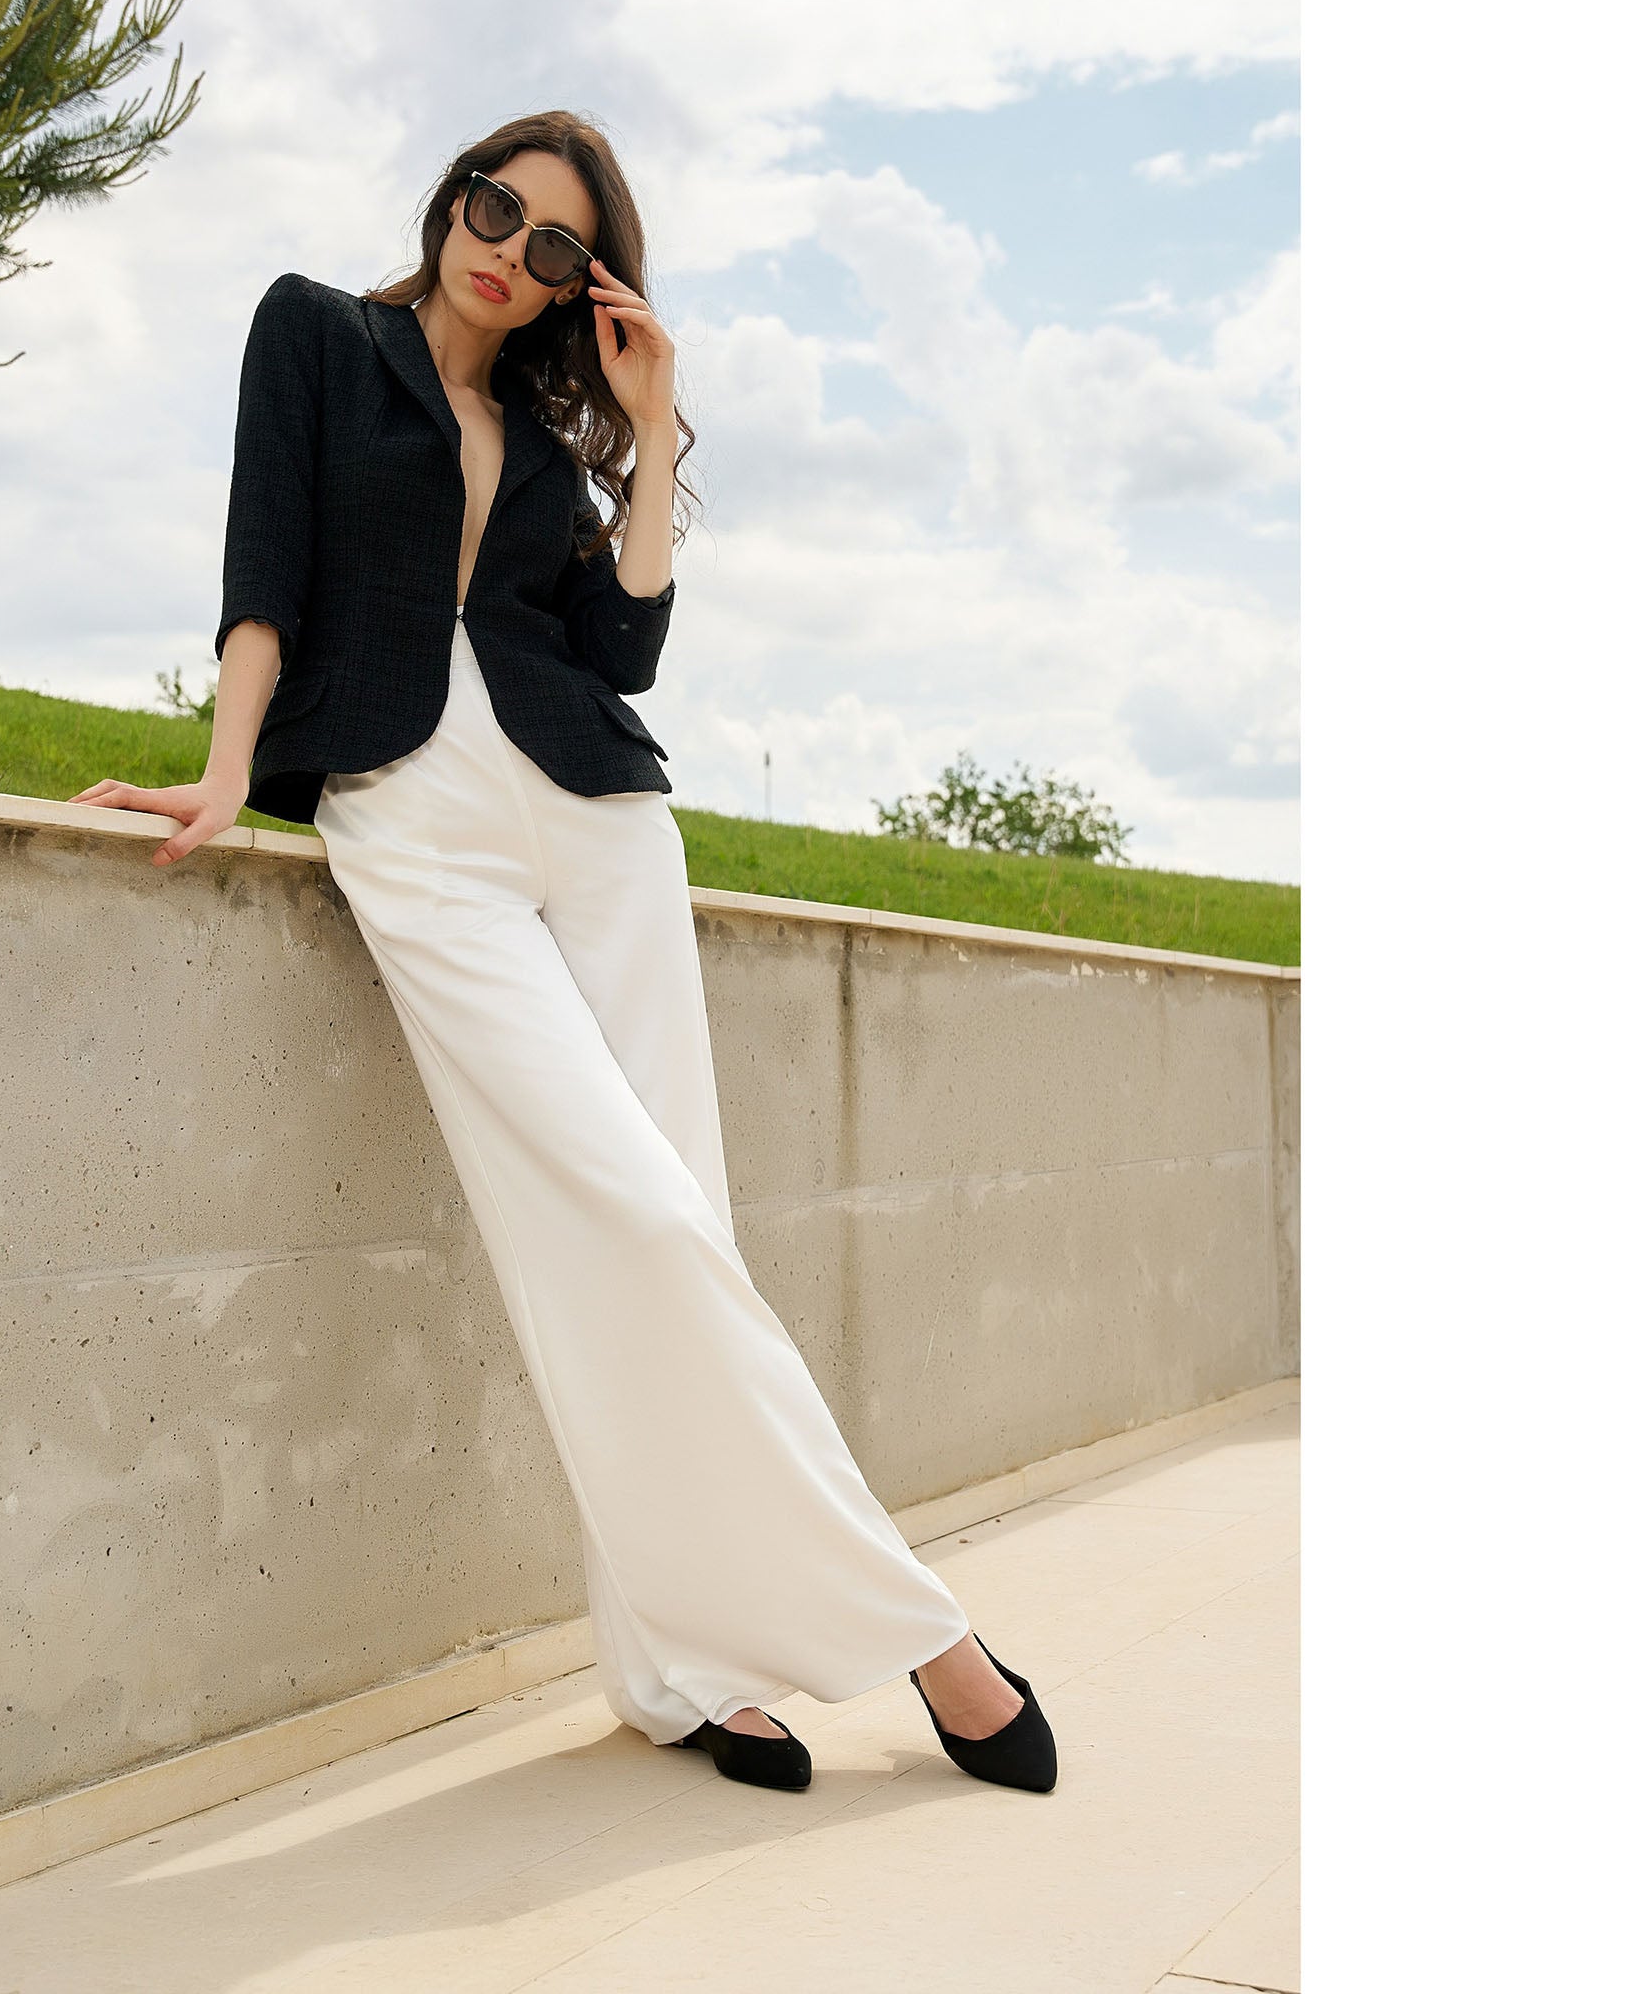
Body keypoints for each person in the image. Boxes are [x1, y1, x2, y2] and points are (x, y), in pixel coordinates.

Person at [72, 111, 1055, 1797]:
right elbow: (263, 567)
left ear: (573, 286)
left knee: (681, 1235)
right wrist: (232, 768)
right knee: (634, 1227)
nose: (501, 251)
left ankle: (683, 1674)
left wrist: (652, 429)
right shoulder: (317, 334)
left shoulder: (542, 435)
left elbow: (626, 646)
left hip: (598, 821)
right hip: (412, 819)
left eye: (548, 247)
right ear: (449, 198)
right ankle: (927, 1636)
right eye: (490, 208)